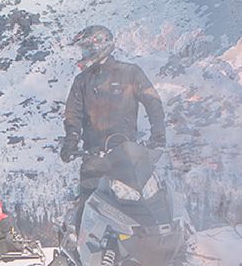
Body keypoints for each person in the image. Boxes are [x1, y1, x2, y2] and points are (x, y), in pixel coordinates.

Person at [60, 24, 166, 216]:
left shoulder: (130, 73)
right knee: (88, 205)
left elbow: (153, 103)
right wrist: (71, 143)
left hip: (128, 155)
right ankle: (82, 243)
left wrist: (158, 136)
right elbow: (72, 115)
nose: (84, 53)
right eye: (83, 49)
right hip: (94, 156)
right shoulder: (82, 81)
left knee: (147, 203)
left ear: (100, 46)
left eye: (87, 48)